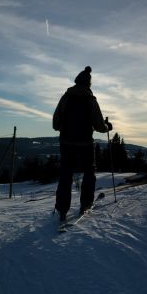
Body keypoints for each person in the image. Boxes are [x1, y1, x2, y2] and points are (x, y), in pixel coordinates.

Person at [53, 66, 112, 222]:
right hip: (85, 144)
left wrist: (64, 128)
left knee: (65, 175)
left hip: (66, 143)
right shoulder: (91, 100)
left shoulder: (66, 97)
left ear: (77, 81)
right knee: (89, 173)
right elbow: (99, 125)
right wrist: (107, 127)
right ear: (89, 84)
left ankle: (62, 210)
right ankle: (85, 204)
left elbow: (55, 123)